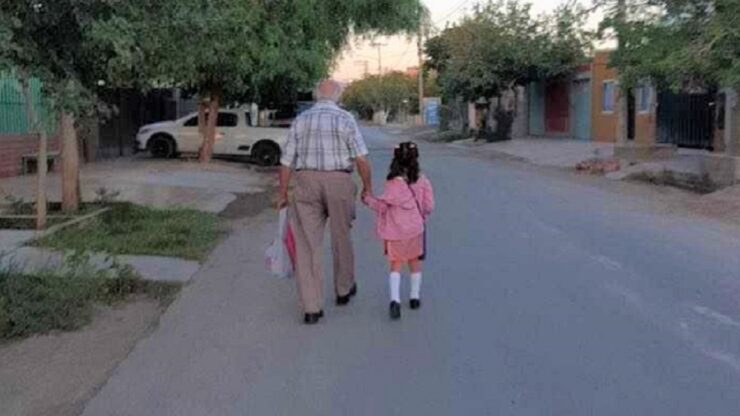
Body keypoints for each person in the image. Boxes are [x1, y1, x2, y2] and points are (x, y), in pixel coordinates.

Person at [277, 80, 373, 325]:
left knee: (308, 245)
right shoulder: (345, 119)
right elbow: (361, 159)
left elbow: (286, 161)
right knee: (341, 236)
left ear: (316, 95)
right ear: (338, 96)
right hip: (339, 180)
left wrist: (282, 193)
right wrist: (367, 188)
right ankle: (343, 289)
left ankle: (312, 307)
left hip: (306, 181)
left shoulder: (301, 120)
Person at [363, 142, 435, 320]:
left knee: (395, 264)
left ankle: (394, 300)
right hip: (416, 229)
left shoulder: (392, 183)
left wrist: (367, 200)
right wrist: (419, 216)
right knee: (415, 261)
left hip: (396, 231)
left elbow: (383, 205)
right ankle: (414, 297)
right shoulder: (423, 180)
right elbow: (429, 206)